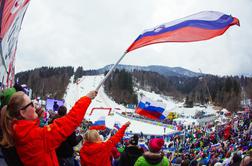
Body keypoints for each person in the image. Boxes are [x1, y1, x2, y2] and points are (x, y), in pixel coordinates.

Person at [0, 90, 97, 166]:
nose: (35, 106)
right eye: (31, 104)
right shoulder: (36, 137)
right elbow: (69, 121)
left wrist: (35, 117)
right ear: (22, 112)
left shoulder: (19, 132)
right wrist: (87, 98)